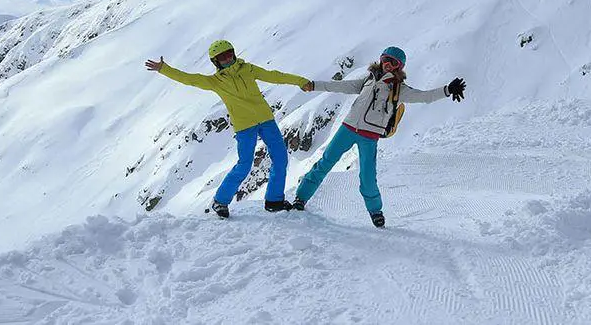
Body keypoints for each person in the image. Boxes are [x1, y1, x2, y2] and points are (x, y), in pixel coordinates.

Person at [294, 46, 466, 227]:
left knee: (367, 177)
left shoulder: (399, 89)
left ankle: (375, 211)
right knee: (325, 162)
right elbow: (340, 86)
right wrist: (314, 85)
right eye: (385, 60)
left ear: (399, 67)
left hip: (370, 135)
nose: (387, 65)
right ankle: (301, 198)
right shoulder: (368, 80)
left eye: (393, 63)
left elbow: (424, 96)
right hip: (348, 128)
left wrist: (447, 90)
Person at [145, 40, 310, 218]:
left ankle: (274, 201)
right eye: (222, 57)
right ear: (215, 61)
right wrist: (164, 68)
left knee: (280, 159)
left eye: (229, 53)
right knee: (244, 164)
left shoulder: (248, 69)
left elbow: (274, 76)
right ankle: (220, 201)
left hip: (266, 120)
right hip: (244, 126)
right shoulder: (215, 82)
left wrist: (300, 81)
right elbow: (189, 79)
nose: (227, 58)